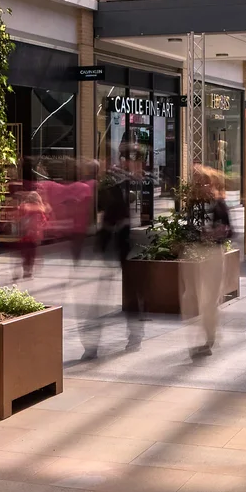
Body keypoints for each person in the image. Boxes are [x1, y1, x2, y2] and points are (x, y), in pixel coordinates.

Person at [82, 150, 142, 357]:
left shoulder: (114, 184)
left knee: (117, 294)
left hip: (118, 247)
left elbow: (115, 216)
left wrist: (106, 235)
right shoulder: (109, 183)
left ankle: (130, 334)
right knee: (105, 296)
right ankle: (94, 345)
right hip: (114, 247)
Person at [182, 167, 233, 359]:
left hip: (213, 253)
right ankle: (202, 336)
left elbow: (229, 231)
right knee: (192, 297)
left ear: (212, 184)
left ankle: (208, 339)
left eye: (205, 182)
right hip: (195, 255)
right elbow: (189, 228)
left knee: (209, 300)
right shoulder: (193, 205)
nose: (201, 186)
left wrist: (215, 233)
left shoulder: (219, 204)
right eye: (198, 182)